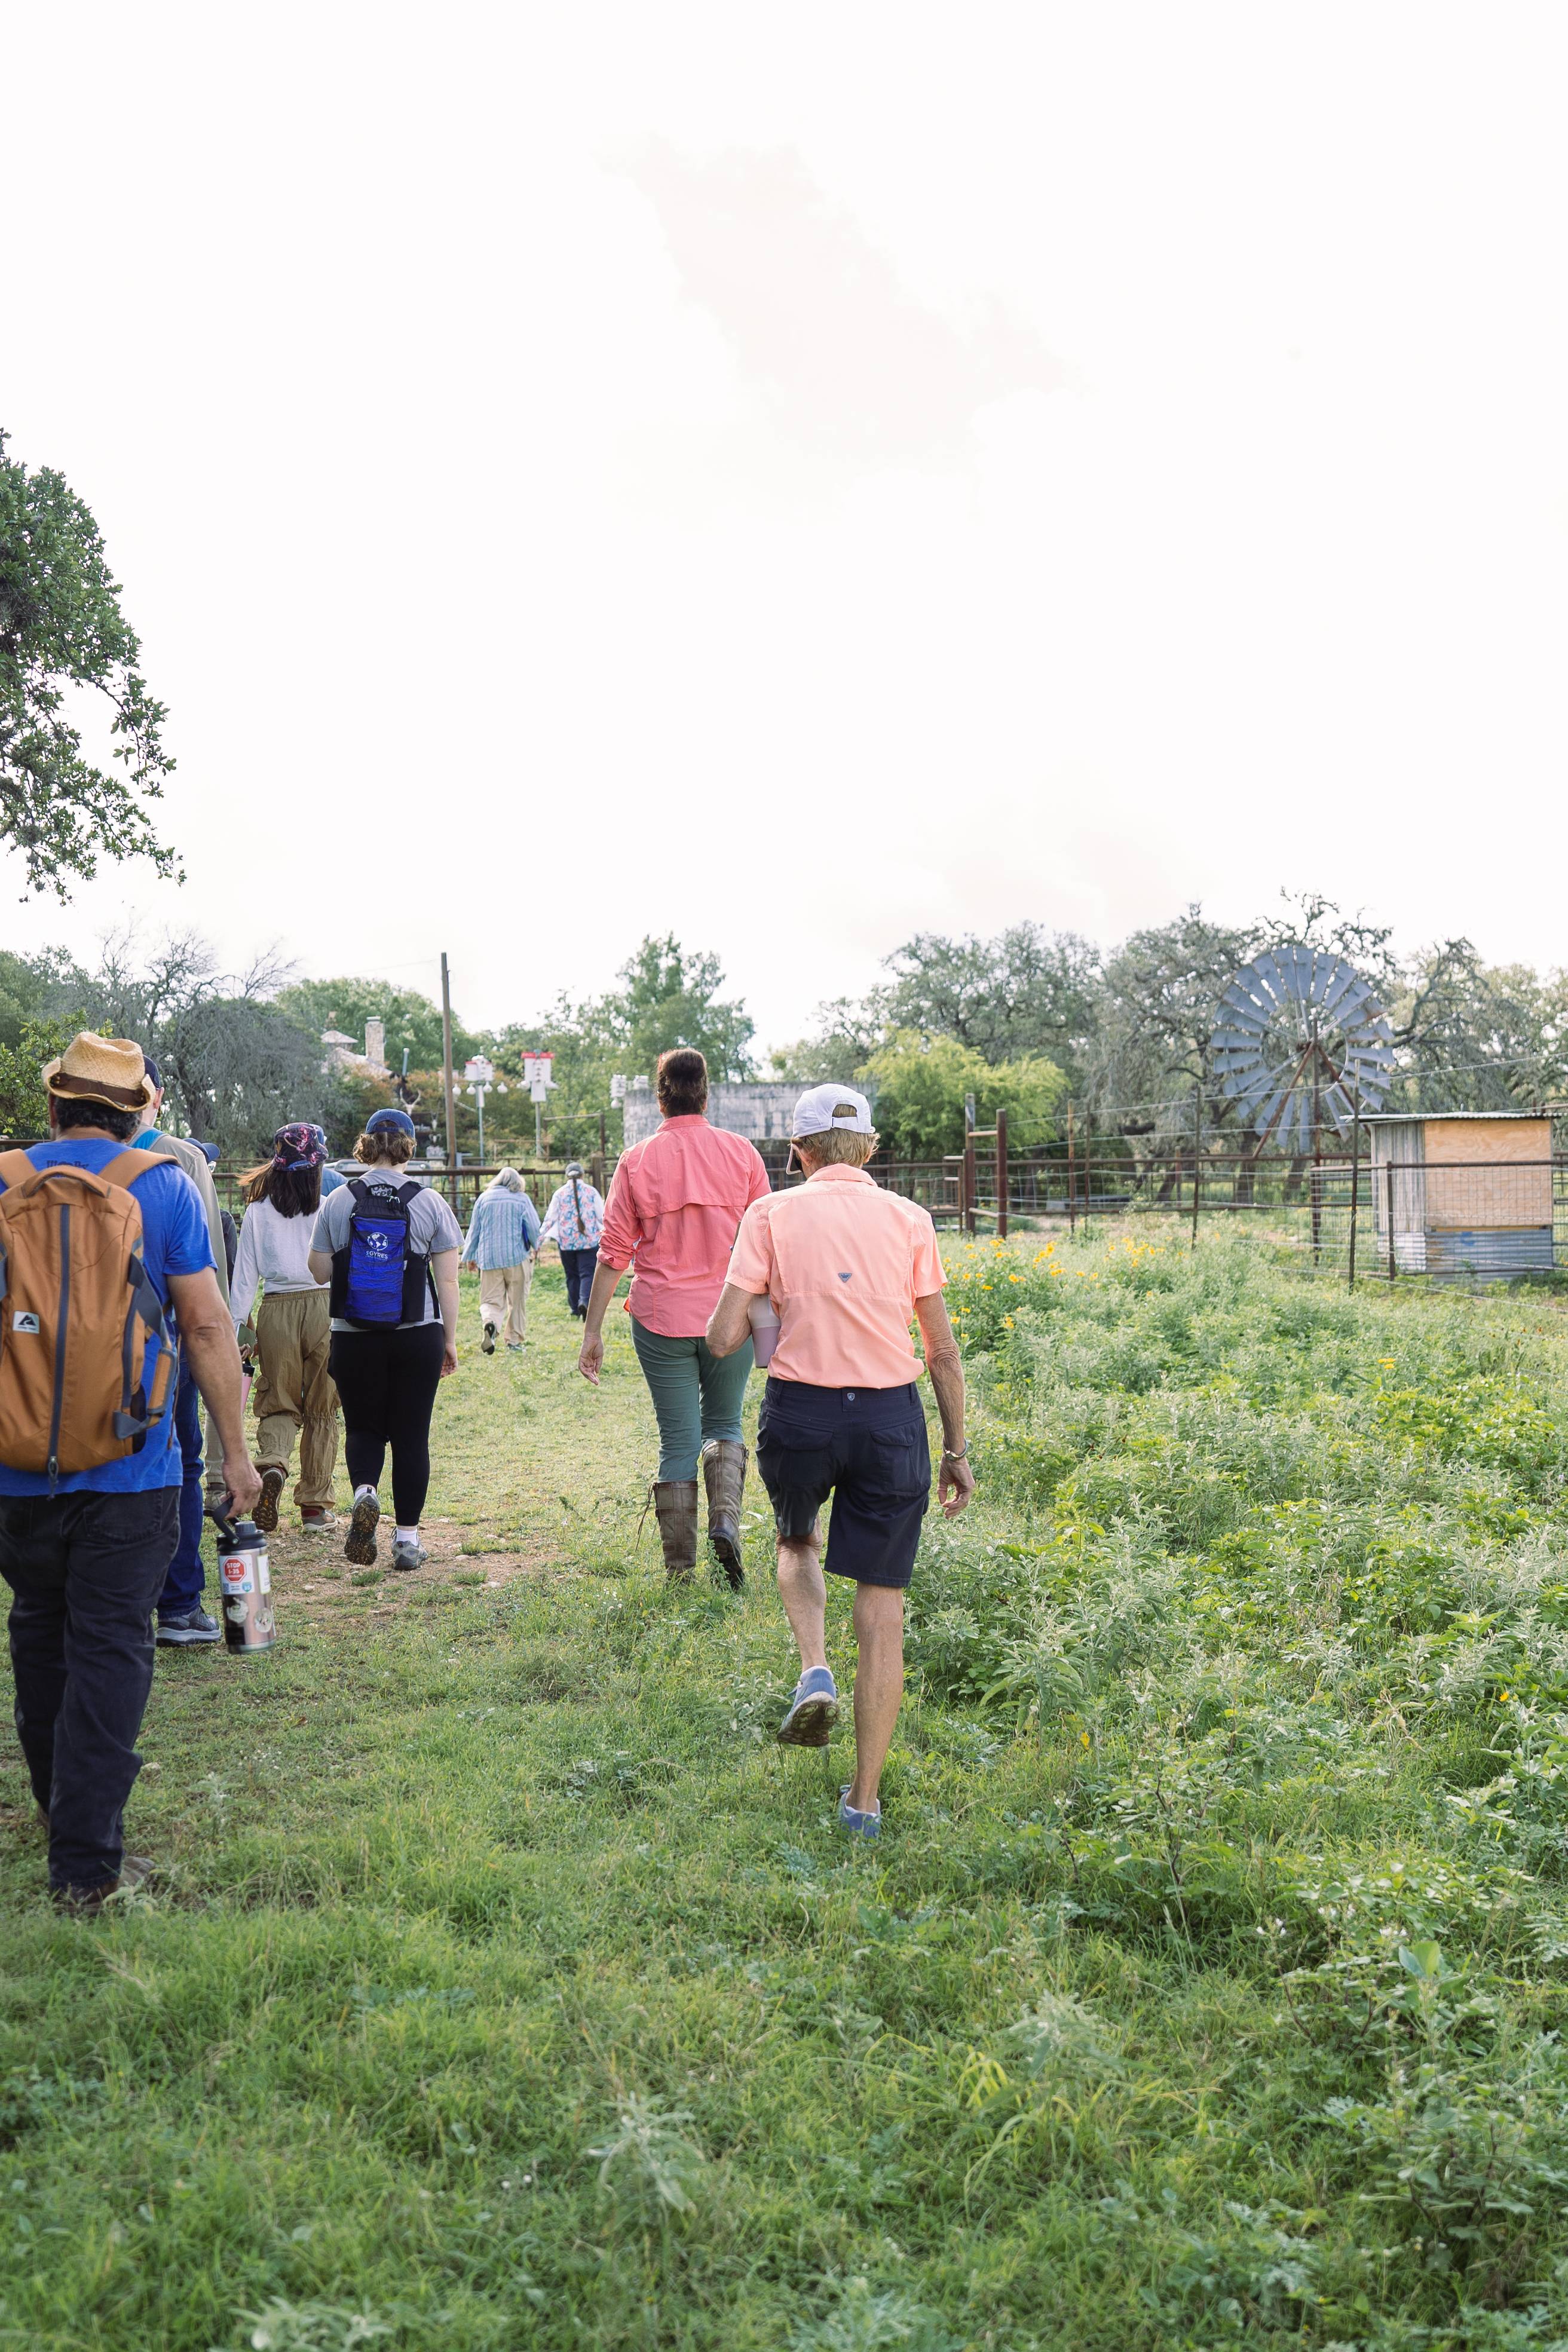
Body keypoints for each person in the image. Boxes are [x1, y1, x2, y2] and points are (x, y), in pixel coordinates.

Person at [0, 1033, 261, 1909]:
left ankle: (58, 1812)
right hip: (136, 1468)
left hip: (13, 1471)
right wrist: (233, 1451)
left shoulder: (2, 1181)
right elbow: (209, 1329)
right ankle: (84, 1865)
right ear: (139, 1110)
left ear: (52, 1106)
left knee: (39, 1628)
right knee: (112, 1644)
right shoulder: (166, 1187)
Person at [706, 1085, 975, 1838]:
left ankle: (814, 1666)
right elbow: (942, 1350)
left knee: (796, 1542)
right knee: (882, 1607)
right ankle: (864, 1801)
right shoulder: (911, 1219)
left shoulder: (769, 1215)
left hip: (803, 1413)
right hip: (892, 1418)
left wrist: (762, 1307)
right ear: (871, 1148)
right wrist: (954, 1450)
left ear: (798, 1152)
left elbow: (723, 1338)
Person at [580, 1049, 769, 1587]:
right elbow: (765, 1242)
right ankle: (726, 1523)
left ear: (660, 1098)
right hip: (730, 1317)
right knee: (726, 1426)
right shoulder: (742, 1155)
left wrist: (592, 1331)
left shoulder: (637, 1160)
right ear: (706, 1094)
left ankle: (680, 1573)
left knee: (678, 1441)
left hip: (661, 1318)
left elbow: (614, 1251)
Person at [307, 1107, 461, 1573]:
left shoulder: (339, 1199)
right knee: (412, 1438)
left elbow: (316, 1270)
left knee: (363, 1428)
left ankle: (364, 1494)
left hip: (354, 1336)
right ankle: (408, 1541)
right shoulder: (429, 1202)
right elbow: (449, 1282)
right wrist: (449, 1340)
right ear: (409, 1146)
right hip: (418, 1335)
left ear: (366, 1145)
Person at [133, 1056, 234, 1647]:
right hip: (166, 1343)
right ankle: (178, 1606)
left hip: (68, 1354)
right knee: (183, 1463)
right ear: (157, 1095)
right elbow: (205, 1269)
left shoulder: (46, 1160)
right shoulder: (180, 1158)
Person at [231, 1124, 339, 1534]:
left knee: (278, 1402)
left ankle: (273, 1465)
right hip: (326, 1307)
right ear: (317, 1166)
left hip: (276, 1311)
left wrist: (239, 1328)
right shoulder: (329, 1206)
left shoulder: (257, 1211)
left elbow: (244, 1278)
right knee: (323, 1409)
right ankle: (314, 1508)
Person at [460, 1166, 540, 1352]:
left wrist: (470, 1256)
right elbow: (534, 1228)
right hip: (517, 1257)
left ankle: (491, 1323)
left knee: (490, 1300)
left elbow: (474, 1231)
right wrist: (536, 1246)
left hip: (489, 1259)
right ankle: (513, 1341)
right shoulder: (522, 1199)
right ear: (517, 1182)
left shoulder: (484, 1198)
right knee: (517, 1301)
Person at [538, 1160, 604, 1318]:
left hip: (566, 1243)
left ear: (566, 1176)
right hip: (589, 1242)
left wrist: (539, 1240)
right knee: (587, 1274)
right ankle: (584, 1302)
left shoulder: (559, 1194)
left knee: (572, 1275)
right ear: (583, 1175)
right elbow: (603, 1217)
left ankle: (575, 1308)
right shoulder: (592, 1192)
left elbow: (550, 1219)